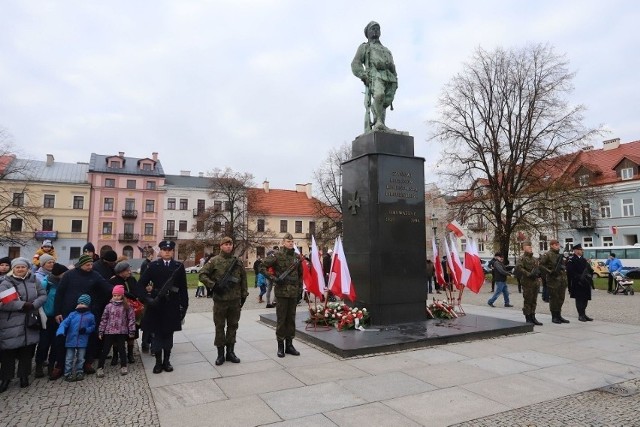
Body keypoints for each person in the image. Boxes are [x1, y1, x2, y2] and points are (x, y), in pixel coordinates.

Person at [53, 254, 113, 377]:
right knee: (62, 339)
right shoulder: (69, 275)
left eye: (91, 264)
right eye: (87, 265)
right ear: (80, 264)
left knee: (90, 338)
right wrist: (57, 312)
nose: (90, 267)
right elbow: (59, 293)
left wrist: (120, 291)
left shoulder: (95, 275)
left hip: (88, 313)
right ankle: (60, 365)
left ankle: (87, 362)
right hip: (69, 311)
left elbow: (107, 287)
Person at [135, 240, 188, 374]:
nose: (167, 252)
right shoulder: (153, 266)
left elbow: (183, 288)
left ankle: (167, 361)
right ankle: (158, 362)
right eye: (164, 250)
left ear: (172, 252)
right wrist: (147, 299)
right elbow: (140, 285)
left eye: (169, 250)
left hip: (172, 304)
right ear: (160, 251)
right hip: (157, 305)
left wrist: (184, 306)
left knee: (169, 334)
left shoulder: (178, 266)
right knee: (157, 335)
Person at [199, 237, 248, 365]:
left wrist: (244, 295)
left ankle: (230, 352)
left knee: (233, 326)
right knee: (219, 327)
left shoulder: (237, 262)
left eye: (230, 244)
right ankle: (220, 354)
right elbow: (202, 275)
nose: (228, 247)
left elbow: (243, 279)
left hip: (234, 300)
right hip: (220, 301)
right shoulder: (214, 261)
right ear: (221, 246)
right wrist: (213, 286)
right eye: (226, 244)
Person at [0, 257, 47, 392]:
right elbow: (3, 303)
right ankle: (6, 378)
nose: (20, 269)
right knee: (9, 351)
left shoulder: (34, 280)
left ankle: (23, 376)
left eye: (23, 267)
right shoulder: (6, 283)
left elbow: (43, 295)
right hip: (10, 322)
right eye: (17, 267)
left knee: (26, 350)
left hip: (29, 320)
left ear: (27, 268)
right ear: (13, 269)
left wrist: (33, 305)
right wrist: (21, 305)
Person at [261, 233, 303, 358]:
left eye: (292, 241)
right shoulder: (277, 255)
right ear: (283, 242)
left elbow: (300, 274)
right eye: (288, 241)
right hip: (282, 293)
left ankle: (289, 345)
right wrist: (273, 278)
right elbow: (262, 266)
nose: (290, 243)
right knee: (281, 320)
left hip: (293, 293)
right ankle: (281, 346)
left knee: (291, 319)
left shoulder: (296, 257)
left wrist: (299, 289)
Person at [351, 21, 398, 132]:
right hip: (374, 74)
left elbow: (392, 65)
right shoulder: (365, 47)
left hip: (390, 77)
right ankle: (378, 123)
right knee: (379, 95)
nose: (375, 30)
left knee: (385, 101)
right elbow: (355, 63)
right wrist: (363, 75)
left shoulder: (386, 50)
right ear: (367, 33)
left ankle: (380, 122)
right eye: (373, 28)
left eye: (377, 28)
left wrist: (395, 77)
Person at [35, 262, 68, 379]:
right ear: (58, 273)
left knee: (56, 343)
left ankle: (51, 365)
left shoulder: (64, 283)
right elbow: (39, 298)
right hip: (46, 317)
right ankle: (39, 364)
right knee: (44, 343)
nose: (66, 275)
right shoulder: (45, 283)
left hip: (59, 317)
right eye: (64, 273)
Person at [96, 285, 136, 377]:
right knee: (105, 350)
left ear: (122, 295)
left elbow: (131, 319)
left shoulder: (127, 306)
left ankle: (124, 366)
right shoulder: (108, 306)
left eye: (118, 295)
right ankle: (100, 367)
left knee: (122, 349)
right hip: (109, 331)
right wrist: (101, 331)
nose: (116, 297)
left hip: (121, 331)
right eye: (114, 295)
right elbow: (104, 319)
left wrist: (131, 331)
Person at [56, 294, 96, 382]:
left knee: (81, 358)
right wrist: (60, 332)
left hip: (82, 341)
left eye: (84, 303)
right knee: (69, 358)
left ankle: (79, 371)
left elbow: (93, 326)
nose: (81, 305)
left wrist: (86, 330)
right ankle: (67, 373)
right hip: (71, 340)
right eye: (80, 302)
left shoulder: (90, 316)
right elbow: (64, 324)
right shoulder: (72, 315)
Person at [110, 261, 142, 364]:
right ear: (120, 272)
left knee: (131, 333)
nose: (129, 271)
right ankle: (115, 355)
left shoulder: (132, 279)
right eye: (127, 270)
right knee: (116, 334)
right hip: (118, 313)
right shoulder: (113, 281)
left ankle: (130, 354)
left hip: (132, 312)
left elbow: (137, 291)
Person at [539, 239, 570, 324]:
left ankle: (559, 315)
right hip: (553, 280)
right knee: (554, 298)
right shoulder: (547, 254)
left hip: (562, 280)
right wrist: (549, 271)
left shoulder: (560, 255)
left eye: (558, 245)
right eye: (556, 245)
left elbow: (563, 266)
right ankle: (554, 316)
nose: (558, 246)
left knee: (561, 298)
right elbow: (541, 265)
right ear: (552, 245)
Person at [514, 242, 542, 325]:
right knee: (528, 300)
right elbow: (519, 268)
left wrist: (538, 275)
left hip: (535, 282)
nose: (530, 248)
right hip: (527, 283)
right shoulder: (522, 258)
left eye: (531, 246)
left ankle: (533, 316)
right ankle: (528, 317)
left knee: (534, 300)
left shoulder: (534, 259)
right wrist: (528, 274)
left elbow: (537, 268)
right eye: (528, 247)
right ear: (524, 248)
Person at [566, 244, 594, 322]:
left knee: (585, 299)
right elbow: (570, 272)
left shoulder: (584, 260)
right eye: (581, 250)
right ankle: (580, 315)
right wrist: (579, 277)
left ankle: (584, 314)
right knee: (579, 299)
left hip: (585, 282)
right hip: (577, 282)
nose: (582, 251)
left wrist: (589, 274)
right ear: (576, 251)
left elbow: (589, 270)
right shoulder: (572, 260)